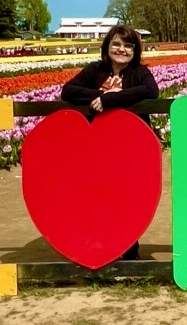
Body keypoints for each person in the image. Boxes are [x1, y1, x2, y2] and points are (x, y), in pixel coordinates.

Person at [61, 24, 158, 261]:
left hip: (130, 147)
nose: (121, 49)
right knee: (102, 197)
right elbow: (68, 91)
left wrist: (113, 99)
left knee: (129, 198)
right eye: (116, 44)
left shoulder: (140, 73)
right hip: (99, 147)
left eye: (128, 45)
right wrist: (99, 95)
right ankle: (104, 247)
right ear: (107, 47)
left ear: (135, 51)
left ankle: (130, 249)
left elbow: (151, 91)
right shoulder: (96, 70)